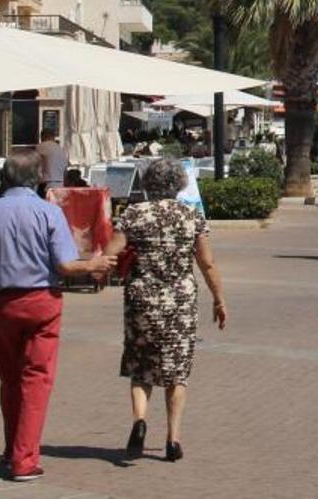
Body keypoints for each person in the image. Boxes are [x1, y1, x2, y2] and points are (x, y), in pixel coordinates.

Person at [0, 151, 115, 481]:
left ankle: (11, 448)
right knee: (36, 380)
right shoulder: (48, 212)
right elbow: (64, 265)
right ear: (37, 178)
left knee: (10, 380)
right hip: (41, 300)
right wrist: (93, 265)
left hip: (0, 302)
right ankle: (24, 459)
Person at [103, 158, 227, 463]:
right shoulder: (191, 216)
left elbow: (109, 253)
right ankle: (173, 440)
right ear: (179, 183)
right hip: (180, 302)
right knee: (176, 374)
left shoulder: (133, 213)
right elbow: (207, 263)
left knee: (140, 366)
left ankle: (140, 420)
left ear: (148, 184)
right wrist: (219, 298)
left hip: (141, 299)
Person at [35, 129, 68, 194]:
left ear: (42, 137)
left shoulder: (41, 146)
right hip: (60, 184)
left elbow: (35, 163)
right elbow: (65, 170)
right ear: (53, 137)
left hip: (46, 184)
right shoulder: (61, 149)